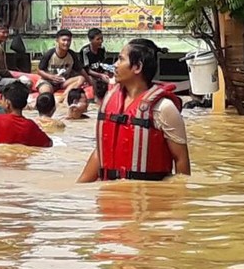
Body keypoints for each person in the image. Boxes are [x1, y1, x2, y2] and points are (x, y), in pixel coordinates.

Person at [78, 38, 191, 182]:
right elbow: (101, 152)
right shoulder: (109, 100)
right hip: (111, 196)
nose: (115, 65)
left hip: (146, 197)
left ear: (137, 67)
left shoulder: (164, 108)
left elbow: (181, 160)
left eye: (120, 59)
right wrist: (77, 188)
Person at [0, 82, 53, 147]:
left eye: (2, 99)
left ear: (8, 103)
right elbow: (49, 143)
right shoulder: (31, 125)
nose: (0, 102)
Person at [37, 29, 93, 100]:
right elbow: (39, 70)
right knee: (45, 95)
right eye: (63, 40)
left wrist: (90, 82)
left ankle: (64, 97)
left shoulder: (72, 55)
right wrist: (51, 77)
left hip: (63, 82)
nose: (66, 43)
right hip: (48, 81)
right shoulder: (49, 54)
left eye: (68, 40)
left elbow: (80, 70)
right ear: (57, 40)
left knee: (81, 78)